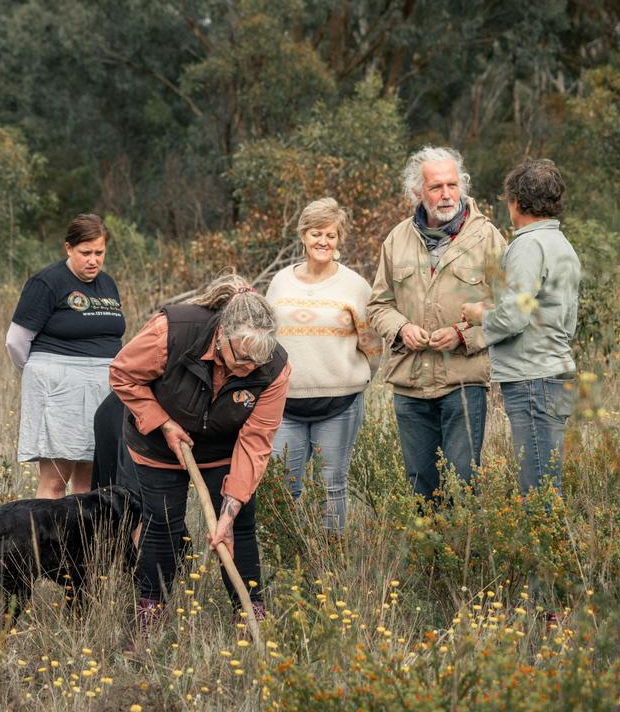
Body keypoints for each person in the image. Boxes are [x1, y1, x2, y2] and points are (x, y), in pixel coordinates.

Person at [110, 272, 290, 636]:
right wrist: (163, 422)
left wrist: (232, 505)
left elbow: (255, 443)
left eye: (255, 363)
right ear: (222, 333)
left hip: (222, 448)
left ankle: (250, 613)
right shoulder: (172, 331)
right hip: (157, 445)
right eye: (240, 358)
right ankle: (151, 612)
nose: (246, 370)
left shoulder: (274, 369)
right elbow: (123, 374)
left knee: (239, 526)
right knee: (162, 523)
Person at [368, 146, 505, 504]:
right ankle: (427, 560)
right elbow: (378, 305)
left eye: (452, 185)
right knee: (421, 489)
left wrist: (464, 334)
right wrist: (401, 328)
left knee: (462, 486)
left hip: (463, 383)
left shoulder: (488, 238)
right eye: (435, 187)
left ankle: (461, 559)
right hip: (410, 386)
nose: (446, 194)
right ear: (417, 192)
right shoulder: (397, 239)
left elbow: (509, 311)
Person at [461, 159, 581, 495]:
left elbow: (514, 318)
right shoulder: (560, 243)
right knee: (544, 481)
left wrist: (478, 314)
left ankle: (547, 547)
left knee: (538, 489)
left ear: (516, 201)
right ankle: (551, 543)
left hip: (533, 380)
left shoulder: (528, 245)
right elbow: (539, 308)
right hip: (550, 375)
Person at [266, 198, 382, 533]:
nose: (323, 241)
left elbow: (372, 345)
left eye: (330, 235)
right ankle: (286, 559)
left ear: (339, 239)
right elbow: (268, 339)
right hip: (286, 404)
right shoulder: (280, 283)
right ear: (303, 235)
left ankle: (330, 561)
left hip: (339, 404)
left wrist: (351, 378)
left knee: (332, 487)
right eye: (316, 233)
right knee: (284, 489)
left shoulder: (355, 286)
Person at [6, 214, 125, 499]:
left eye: (99, 253)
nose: (93, 260)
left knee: (90, 485)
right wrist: (45, 376)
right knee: (56, 481)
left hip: (104, 389)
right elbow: (16, 341)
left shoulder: (107, 284)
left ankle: (79, 544)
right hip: (61, 389)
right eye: (85, 253)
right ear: (68, 248)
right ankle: (47, 544)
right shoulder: (47, 282)